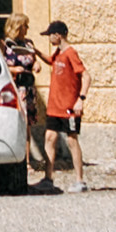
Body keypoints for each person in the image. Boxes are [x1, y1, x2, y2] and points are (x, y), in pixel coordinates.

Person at [31, 20, 85, 181]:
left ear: (58, 35)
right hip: (54, 106)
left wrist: (80, 99)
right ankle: (48, 178)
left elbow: (86, 76)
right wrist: (36, 52)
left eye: (50, 35)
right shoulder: (58, 53)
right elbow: (51, 61)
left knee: (71, 140)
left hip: (68, 106)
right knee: (49, 137)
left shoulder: (71, 53)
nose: (49, 39)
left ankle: (79, 180)